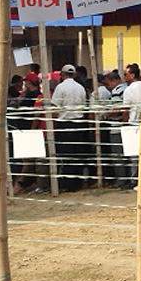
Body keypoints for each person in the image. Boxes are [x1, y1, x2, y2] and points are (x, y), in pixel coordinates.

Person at [51, 64, 89, 192]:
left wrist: (53, 121)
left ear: (62, 74)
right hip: (79, 123)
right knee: (77, 154)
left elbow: (55, 107)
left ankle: (67, 183)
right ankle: (77, 183)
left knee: (66, 155)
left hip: (65, 124)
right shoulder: (81, 88)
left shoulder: (60, 87)